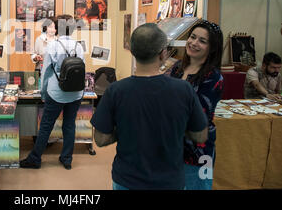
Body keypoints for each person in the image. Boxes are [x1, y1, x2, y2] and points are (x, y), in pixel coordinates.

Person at [90, 23, 207, 190]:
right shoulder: (183, 90)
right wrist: (176, 128)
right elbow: (201, 136)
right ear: (163, 53)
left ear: (132, 51)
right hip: (170, 181)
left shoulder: (115, 91)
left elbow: (101, 139)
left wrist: (125, 129)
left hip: (127, 180)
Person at [20, 15, 85, 170]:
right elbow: (82, 71)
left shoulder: (53, 46)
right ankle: (67, 159)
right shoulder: (79, 46)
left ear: (57, 28)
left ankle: (35, 159)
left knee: (46, 126)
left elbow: (46, 73)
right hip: (75, 94)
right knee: (69, 125)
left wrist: (43, 93)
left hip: (56, 93)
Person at [169, 19, 224, 190]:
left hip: (199, 151)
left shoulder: (213, 78)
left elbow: (197, 116)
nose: (194, 43)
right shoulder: (177, 67)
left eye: (202, 40)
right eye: (192, 37)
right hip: (172, 146)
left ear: (212, 47)